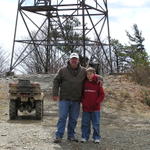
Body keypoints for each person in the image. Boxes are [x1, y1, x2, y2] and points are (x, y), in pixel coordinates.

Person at [52, 52, 86, 143]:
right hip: (64, 99)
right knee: (62, 117)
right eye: (72, 59)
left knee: (74, 119)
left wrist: (99, 78)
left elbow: (92, 76)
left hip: (76, 100)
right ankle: (58, 136)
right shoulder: (62, 70)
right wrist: (55, 93)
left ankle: (71, 135)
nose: (74, 60)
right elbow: (56, 81)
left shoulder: (83, 71)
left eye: (75, 59)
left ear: (78, 60)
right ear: (69, 60)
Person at [81, 67, 105, 143]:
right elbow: (81, 94)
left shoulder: (98, 83)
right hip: (86, 108)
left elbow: (102, 95)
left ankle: (96, 137)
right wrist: (83, 102)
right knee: (85, 123)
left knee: (96, 124)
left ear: (94, 74)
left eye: (90, 74)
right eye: (87, 74)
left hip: (95, 108)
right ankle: (85, 137)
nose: (89, 75)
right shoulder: (84, 82)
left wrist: (97, 102)